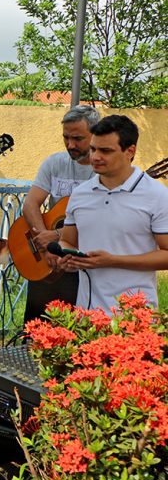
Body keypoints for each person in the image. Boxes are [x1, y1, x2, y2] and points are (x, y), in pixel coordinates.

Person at [57, 115, 168, 310]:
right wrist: (66, 257)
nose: (95, 157)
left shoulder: (157, 195)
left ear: (130, 151)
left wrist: (112, 261)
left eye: (105, 151)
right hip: (86, 316)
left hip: (134, 318)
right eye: (93, 149)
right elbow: (67, 241)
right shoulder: (80, 194)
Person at [20, 105, 99, 325]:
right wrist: (45, 242)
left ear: (95, 134)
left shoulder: (104, 170)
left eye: (78, 138)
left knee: (77, 328)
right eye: (66, 137)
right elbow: (30, 205)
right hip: (48, 258)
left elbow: (100, 218)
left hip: (82, 259)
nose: (70, 144)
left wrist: (55, 236)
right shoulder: (54, 163)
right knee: (38, 326)